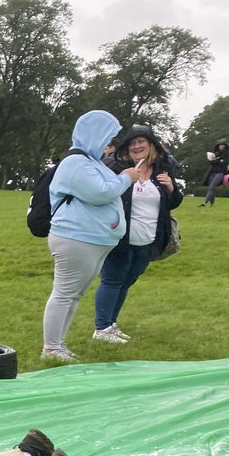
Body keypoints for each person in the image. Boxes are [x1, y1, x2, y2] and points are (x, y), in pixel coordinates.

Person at [40, 110, 137, 363]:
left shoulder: (90, 162)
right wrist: (126, 178)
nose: (109, 145)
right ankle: (51, 348)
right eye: (107, 137)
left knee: (73, 295)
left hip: (94, 240)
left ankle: (58, 345)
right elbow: (100, 193)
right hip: (76, 239)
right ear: (94, 135)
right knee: (64, 293)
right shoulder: (76, 163)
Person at [90, 124, 183, 344]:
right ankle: (101, 328)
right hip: (119, 237)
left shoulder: (162, 171)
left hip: (149, 239)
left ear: (152, 146)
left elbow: (173, 203)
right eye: (132, 143)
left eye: (141, 142)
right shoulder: (117, 168)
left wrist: (172, 189)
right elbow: (101, 192)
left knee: (127, 281)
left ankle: (111, 325)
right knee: (112, 279)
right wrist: (123, 179)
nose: (136, 146)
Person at [199, 139, 229, 206]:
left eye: (222, 145)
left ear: (225, 146)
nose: (221, 147)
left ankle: (205, 203)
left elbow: (224, 163)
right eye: (220, 145)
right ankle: (212, 203)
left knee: (211, 187)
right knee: (211, 188)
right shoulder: (215, 154)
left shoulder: (226, 155)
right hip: (212, 173)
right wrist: (218, 161)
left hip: (220, 173)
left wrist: (216, 161)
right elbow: (211, 162)